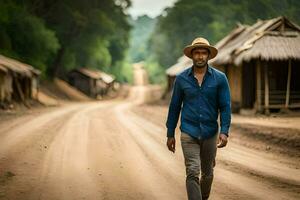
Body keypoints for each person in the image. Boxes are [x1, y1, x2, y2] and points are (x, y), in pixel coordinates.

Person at [166, 37, 231, 200]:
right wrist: (170, 133)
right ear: (192, 56)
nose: (200, 56)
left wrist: (224, 131)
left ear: (208, 56)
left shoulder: (220, 78)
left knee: (207, 173)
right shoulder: (181, 79)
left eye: (203, 53)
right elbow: (174, 107)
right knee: (193, 171)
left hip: (210, 132)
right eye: (197, 53)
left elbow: (225, 107)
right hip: (189, 132)